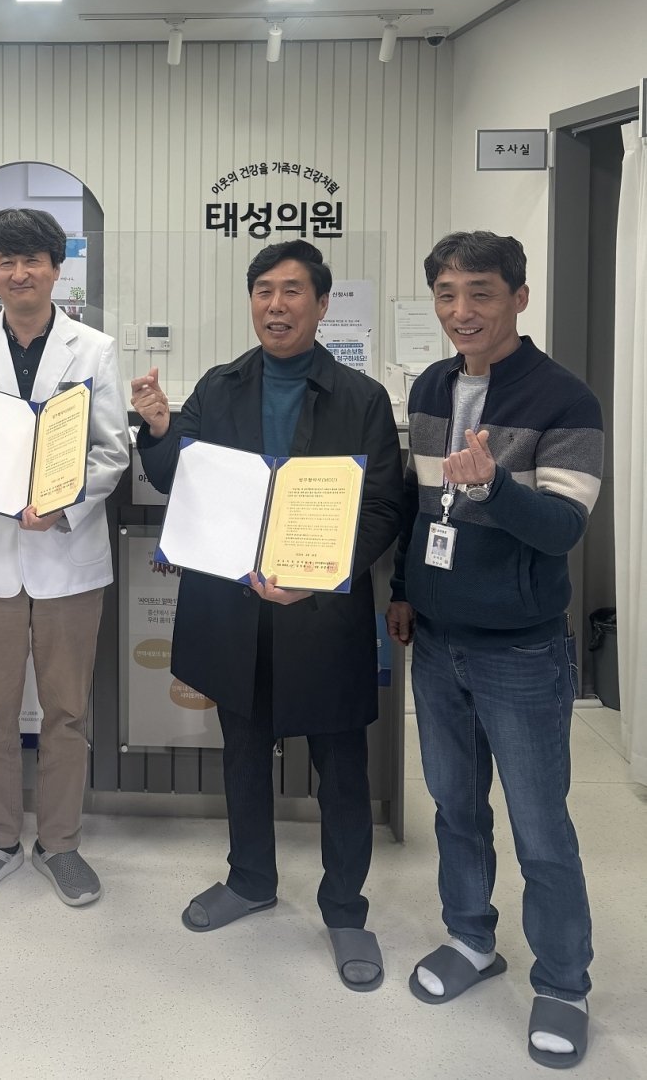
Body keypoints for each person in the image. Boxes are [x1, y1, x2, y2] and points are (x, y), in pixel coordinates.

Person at [132, 239, 403, 990]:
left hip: (322, 612)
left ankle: (344, 909)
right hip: (235, 607)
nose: (275, 306)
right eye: (263, 292)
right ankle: (250, 879)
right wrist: (159, 428)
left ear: (321, 304)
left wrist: (316, 576)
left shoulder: (361, 398)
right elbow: (177, 478)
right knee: (244, 752)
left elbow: (384, 506)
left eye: (291, 292)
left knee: (340, 767)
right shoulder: (219, 386)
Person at [386, 232, 603, 1069]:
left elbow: (561, 529)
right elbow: (418, 510)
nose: (461, 311)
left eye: (479, 292)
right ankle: (471, 940)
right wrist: (403, 590)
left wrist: (493, 486)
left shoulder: (564, 399)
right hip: (437, 640)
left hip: (519, 651)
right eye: (445, 294)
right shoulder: (429, 387)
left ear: (518, 296)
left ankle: (563, 983)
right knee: (454, 809)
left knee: (539, 827)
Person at [0, 208, 128, 907]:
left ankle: (61, 843)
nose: (19, 273)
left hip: (67, 550)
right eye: (5, 262)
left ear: (55, 267)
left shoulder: (93, 349)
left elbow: (111, 450)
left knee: (67, 712)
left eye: (32, 260)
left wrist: (64, 506)